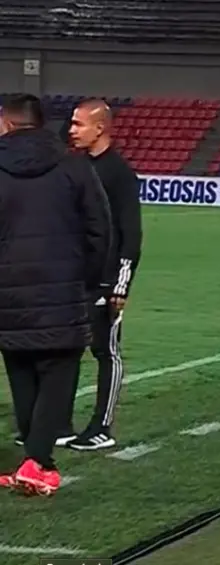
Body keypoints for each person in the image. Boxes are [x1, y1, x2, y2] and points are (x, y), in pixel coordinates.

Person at [0, 94, 112, 495]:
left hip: (8, 293)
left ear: (8, 124)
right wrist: (87, 281)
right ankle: (37, 461)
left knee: (22, 372)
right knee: (57, 375)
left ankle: (36, 461)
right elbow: (100, 229)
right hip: (64, 290)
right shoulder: (74, 166)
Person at [65, 98, 142, 451]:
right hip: (74, 277)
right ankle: (59, 423)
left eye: (78, 124)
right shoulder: (76, 166)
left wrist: (121, 284)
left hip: (106, 280)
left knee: (105, 350)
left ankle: (102, 427)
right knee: (64, 350)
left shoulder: (119, 173)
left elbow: (131, 233)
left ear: (100, 128)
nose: (71, 130)